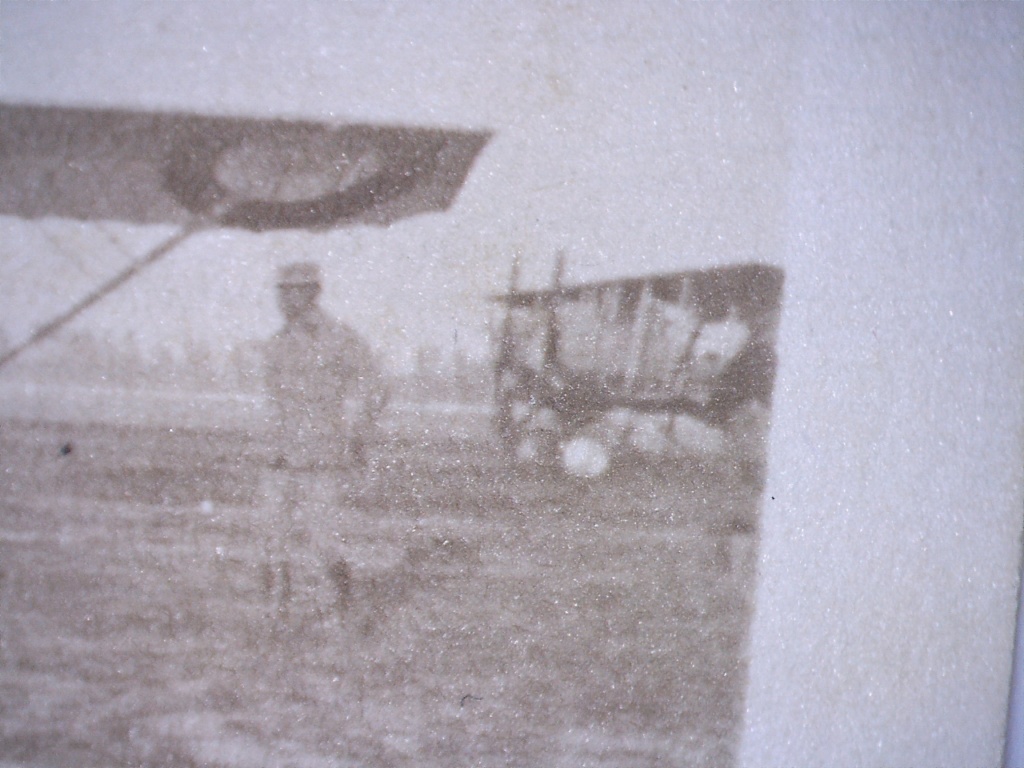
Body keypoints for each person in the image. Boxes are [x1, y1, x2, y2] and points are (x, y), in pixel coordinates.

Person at [259, 261, 386, 619]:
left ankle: (342, 608)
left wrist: (356, 432)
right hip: (280, 457)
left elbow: (374, 386)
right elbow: (273, 401)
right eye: (280, 291)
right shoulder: (276, 344)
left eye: (292, 290)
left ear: (313, 293)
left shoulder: (341, 340)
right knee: (273, 538)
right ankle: (276, 612)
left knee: (323, 540)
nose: (283, 299)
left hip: (321, 459)